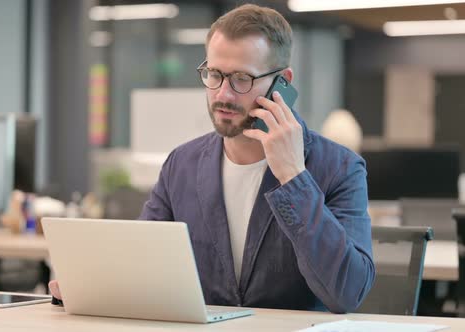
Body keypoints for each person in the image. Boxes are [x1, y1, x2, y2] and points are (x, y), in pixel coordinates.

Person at [50, 4, 374, 313]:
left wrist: (293, 176)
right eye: (214, 74)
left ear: (283, 82)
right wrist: (91, 285)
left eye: (242, 79)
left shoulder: (339, 167)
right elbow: (142, 263)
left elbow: (347, 293)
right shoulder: (182, 164)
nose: (223, 94)